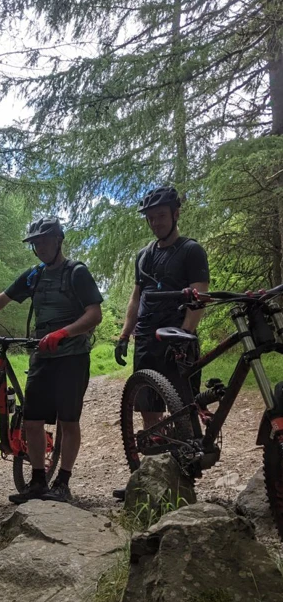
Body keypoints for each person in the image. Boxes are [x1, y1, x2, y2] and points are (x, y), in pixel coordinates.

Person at [0, 217, 103, 504]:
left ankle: (63, 482)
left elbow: (94, 315)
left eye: (45, 239)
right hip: (42, 355)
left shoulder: (77, 272)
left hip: (72, 356)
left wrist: (64, 332)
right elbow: (3, 298)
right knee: (32, 421)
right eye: (36, 242)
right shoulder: (34, 275)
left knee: (69, 421)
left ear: (58, 239)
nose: (40, 246)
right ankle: (37, 481)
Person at [113, 186, 210, 498]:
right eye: (151, 218)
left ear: (175, 214)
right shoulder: (143, 256)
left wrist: (185, 334)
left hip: (177, 335)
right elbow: (136, 297)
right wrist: (124, 334)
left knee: (184, 405)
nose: (156, 222)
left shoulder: (191, 250)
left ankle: (185, 475)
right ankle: (151, 479)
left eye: (161, 216)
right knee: (148, 407)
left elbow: (200, 295)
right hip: (146, 337)